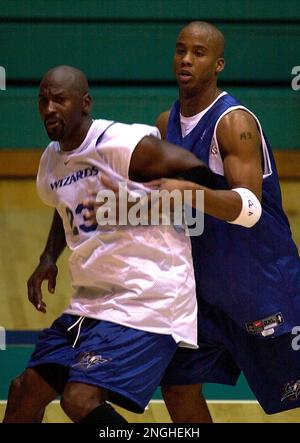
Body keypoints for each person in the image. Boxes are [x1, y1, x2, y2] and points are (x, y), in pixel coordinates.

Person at [3, 65, 216, 423]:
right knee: (24, 390)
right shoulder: (51, 161)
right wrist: (47, 258)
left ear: (84, 104)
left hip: (147, 298)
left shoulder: (121, 145)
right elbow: (63, 204)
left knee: (80, 399)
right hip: (91, 301)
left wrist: (147, 202)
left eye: (59, 99)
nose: (49, 108)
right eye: (43, 100)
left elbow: (198, 171)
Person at [151, 21, 300, 422]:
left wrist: (189, 194)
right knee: (178, 387)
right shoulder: (167, 124)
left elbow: (249, 208)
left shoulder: (233, 123)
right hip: (205, 295)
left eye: (198, 53)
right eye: (181, 50)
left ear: (218, 64)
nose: (185, 59)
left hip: (261, 287)